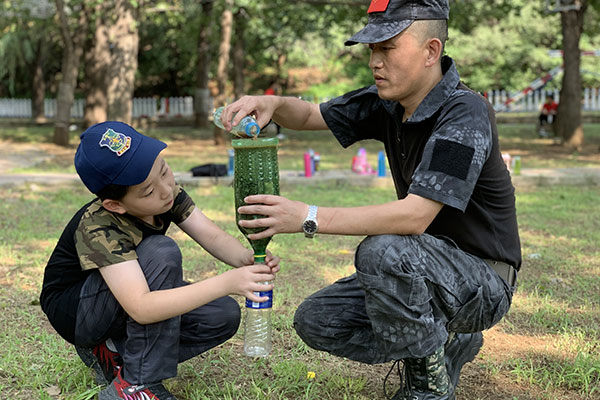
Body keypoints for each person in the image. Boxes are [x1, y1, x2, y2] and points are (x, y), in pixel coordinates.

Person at [220, 0, 520, 399]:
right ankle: (442, 342)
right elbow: (311, 116)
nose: (375, 62)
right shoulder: (389, 103)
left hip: (482, 281)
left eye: (388, 48)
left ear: (431, 51)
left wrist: (307, 216)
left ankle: (428, 388)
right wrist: (272, 103)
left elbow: (414, 217)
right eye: (372, 50)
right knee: (318, 320)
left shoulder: (464, 114)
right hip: (422, 270)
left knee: (385, 251)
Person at [39, 121, 280, 400]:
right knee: (160, 251)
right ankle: (135, 384)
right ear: (115, 204)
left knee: (221, 315)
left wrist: (245, 259)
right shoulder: (99, 225)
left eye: (164, 171)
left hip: (119, 295)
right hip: (79, 311)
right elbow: (141, 307)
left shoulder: (167, 195)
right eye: (149, 191)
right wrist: (227, 282)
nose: (166, 189)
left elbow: (212, 237)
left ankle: (113, 351)